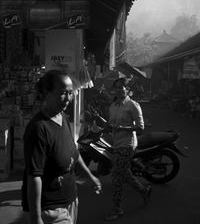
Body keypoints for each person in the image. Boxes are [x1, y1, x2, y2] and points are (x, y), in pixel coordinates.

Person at [21, 69, 102, 224]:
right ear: (46, 93)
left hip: (70, 200)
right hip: (50, 210)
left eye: (70, 93)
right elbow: (34, 176)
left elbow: (73, 153)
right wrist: (36, 218)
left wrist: (89, 176)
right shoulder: (38, 128)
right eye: (63, 93)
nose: (68, 98)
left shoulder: (63, 117)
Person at [105, 77, 151, 221]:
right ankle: (143, 190)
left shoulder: (133, 105)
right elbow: (110, 126)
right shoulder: (112, 106)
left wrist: (124, 128)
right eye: (116, 87)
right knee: (124, 173)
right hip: (116, 144)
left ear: (127, 89)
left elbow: (140, 127)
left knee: (116, 176)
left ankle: (117, 209)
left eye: (121, 87)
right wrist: (99, 122)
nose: (119, 90)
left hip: (128, 144)